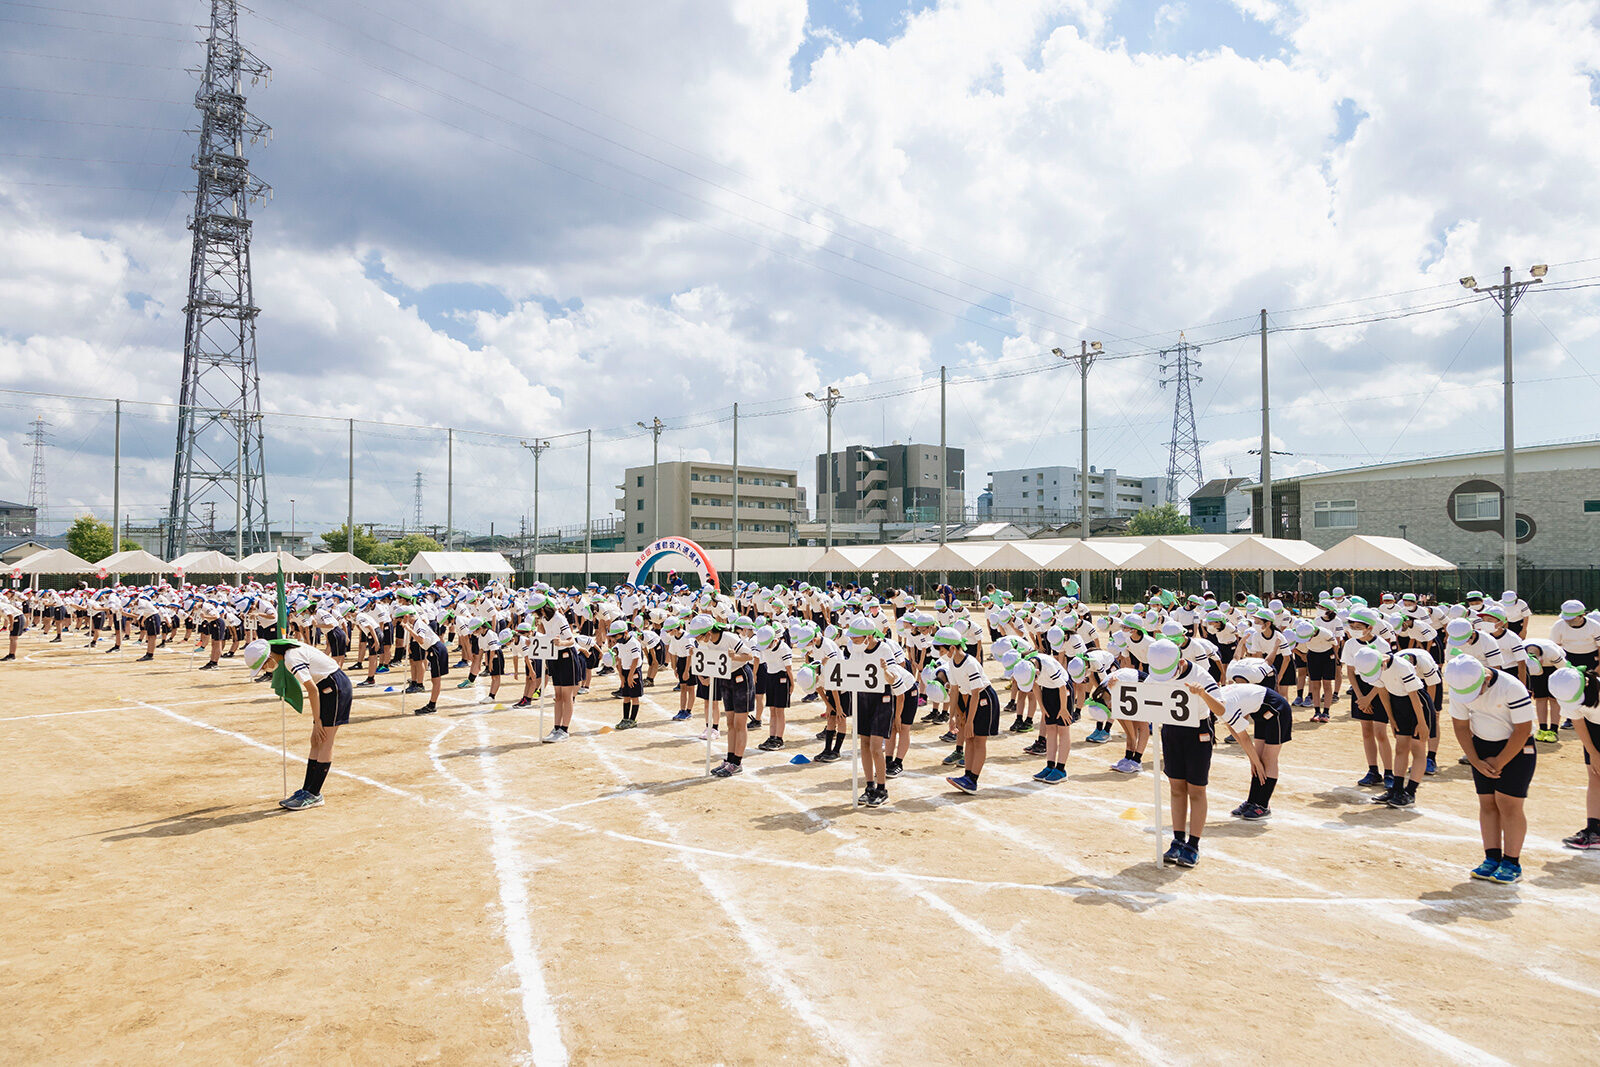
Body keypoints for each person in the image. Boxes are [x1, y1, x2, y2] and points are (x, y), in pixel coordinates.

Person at [1445, 655, 1536, 884]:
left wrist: (1501, 761)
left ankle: (1511, 862)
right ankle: (1491, 858)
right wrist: (1475, 760)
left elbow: (1522, 729)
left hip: (1516, 748)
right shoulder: (1460, 685)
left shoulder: (1511, 687)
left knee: (1508, 803)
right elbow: (1461, 725)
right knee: (1487, 803)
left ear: (1485, 678)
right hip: (1482, 748)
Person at [244, 638, 353, 812]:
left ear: (269, 656)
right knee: (315, 741)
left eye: (264, 666)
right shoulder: (286, 653)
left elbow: (312, 690)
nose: (265, 669)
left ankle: (314, 794)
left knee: (325, 740)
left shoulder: (291, 658)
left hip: (335, 688)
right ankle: (307, 790)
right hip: (326, 687)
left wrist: (317, 722)